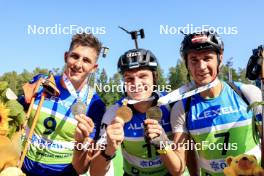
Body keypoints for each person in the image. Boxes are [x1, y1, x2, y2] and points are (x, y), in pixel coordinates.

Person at [166, 30, 262, 175]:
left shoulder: (248, 93)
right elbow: (184, 159)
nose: (201, 66)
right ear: (186, 64)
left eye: (207, 58)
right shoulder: (181, 108)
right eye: (194, 60)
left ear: (220, 59)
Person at [73, 47, 177, 176]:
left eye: (143, 76)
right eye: (129, 79)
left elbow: (178, 170)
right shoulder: (113, 112)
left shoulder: (171, 105)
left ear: (155, 79)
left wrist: (163, 145)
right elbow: (95, 173)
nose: (136, 83)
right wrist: (109, 149)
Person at [20, 33, 106, 176]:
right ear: (66, 56)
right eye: (75, 56)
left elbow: (82, 169)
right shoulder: (41, 82)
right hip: (23, 169)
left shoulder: (95, 105)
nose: (78, 64)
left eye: (86, 60)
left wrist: (80, 143)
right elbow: (12, 115)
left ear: (94, 68)